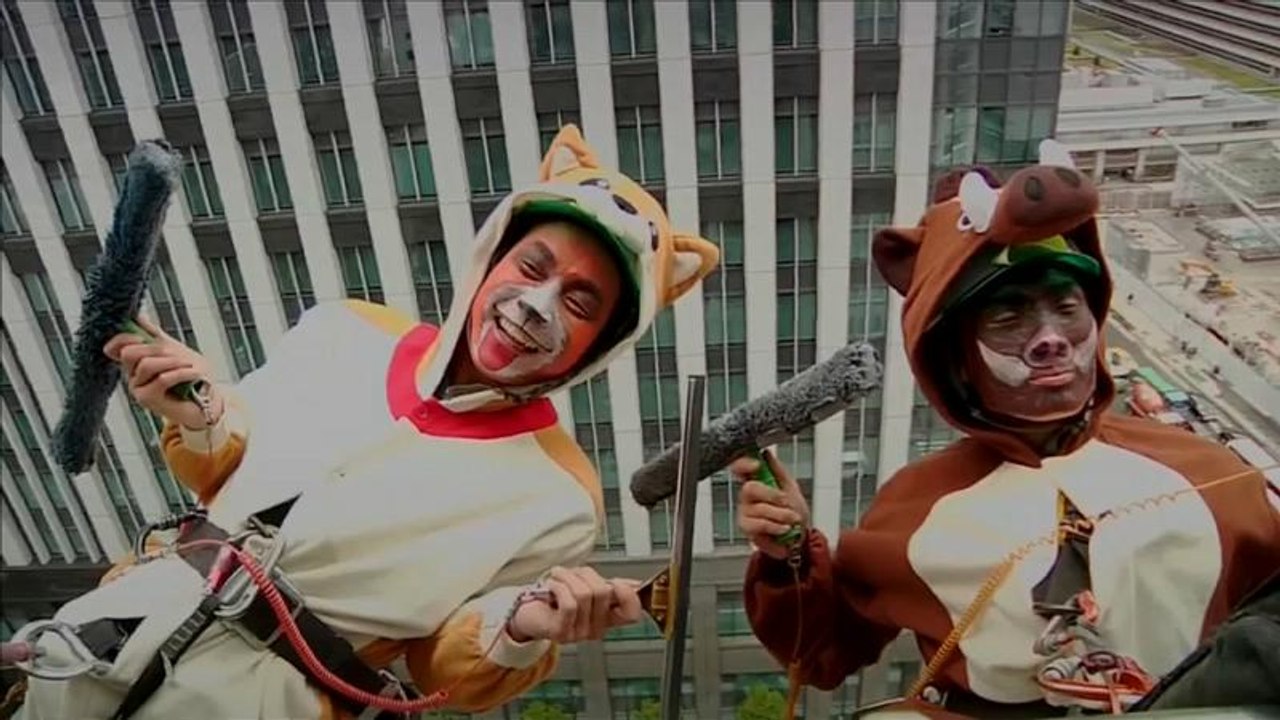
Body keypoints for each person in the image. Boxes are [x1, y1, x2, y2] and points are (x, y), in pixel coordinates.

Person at [17, 126, 719, 719]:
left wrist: (528, 624)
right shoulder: (343, 328)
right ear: (493, 253)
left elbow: (448, 661)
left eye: (579, 302)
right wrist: (200, 409)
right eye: (531, 264)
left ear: (601, 344)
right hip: (116, 625)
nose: (534, 304)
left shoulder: (560, 498)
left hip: (266, 700)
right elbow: (225, 468)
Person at [735, 143, 1280, 719]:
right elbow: (821, 655)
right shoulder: (914, 506)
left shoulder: (1205, 468)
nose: (1050, 337)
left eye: (1067, 306)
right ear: (954, 358)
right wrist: (789, 552)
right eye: (1008, 316)